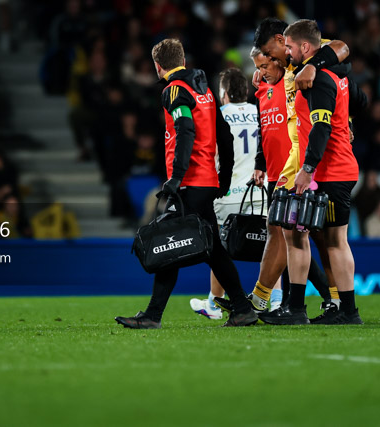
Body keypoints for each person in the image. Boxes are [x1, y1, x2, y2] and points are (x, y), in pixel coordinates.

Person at [116, 39, 257, 329]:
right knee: (213, 250)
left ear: (158, 66)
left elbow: (184, 129)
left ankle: (153, 316)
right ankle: (243, 309)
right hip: (206, 181)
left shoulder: (174, 90)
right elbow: (225, 136)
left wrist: (176, 177)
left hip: (190, 182)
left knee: (169, 242)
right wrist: (224, 178)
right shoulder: (203, 89)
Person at [262, 20, 362, 326]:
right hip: (341, 167)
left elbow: (321, 126)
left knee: (301, 236)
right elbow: (360, 101)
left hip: (327, 171)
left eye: (289, 48)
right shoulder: (337, 73)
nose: (287, 54)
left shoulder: (316, 78)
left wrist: (307, 170)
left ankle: (302, 308)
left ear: (305, 46)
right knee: (331, 241)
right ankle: (341, 309)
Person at [190, 67, 262, 320]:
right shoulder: (261, 112)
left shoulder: (217, 114)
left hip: (227, 193)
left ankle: (214, 302)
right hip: (260, 191)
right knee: (270, 246)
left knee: (218, 249)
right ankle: (271, 301)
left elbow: (208, 153)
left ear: (223, 93)